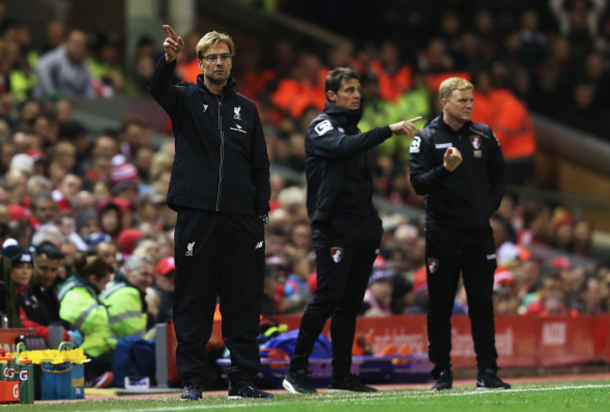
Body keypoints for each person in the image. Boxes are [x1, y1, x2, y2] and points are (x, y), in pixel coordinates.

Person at [149, 25, 272, 400]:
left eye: (225, 56)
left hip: (241, 219)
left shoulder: (246, 109)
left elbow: (260, 165)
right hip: (197, 215)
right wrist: (168, 60)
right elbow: (157, 89)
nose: (219, 62)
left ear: (231, 61)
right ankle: (192, 380)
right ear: (200, 63)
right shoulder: (185, 97)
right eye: (212, 57)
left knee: (244, 299)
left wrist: (260, 211)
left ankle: (243, 380)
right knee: (193, 297)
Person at [282, 67, 421, 394]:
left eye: (357, 89)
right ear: (331, 95)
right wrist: (388, 129)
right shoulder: (322, 126)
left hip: (361, 227)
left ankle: (341, 376)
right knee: (327, 297)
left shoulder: (352, 129)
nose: (356, 94)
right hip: (334, 227)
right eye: (348, 90)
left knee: (349, 303)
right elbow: (343, 147)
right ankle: (296, 371)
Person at [408, 77, 511, 390]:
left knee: (482, 303)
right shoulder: (426, 137)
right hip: (443, 233)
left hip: (478, 233)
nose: (468, 105)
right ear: (444, 102)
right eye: (462, 100)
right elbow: (418, 183)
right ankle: (442, 373)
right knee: (440, 306)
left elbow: (500, 177)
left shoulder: (484, 134)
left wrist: (487, 209)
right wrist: (445, 169)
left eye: (471, 100)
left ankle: (487, 372)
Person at [58, 253, 115, 388]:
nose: (105, 288)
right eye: (105, 283)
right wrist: (105, 310)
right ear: (93, 278)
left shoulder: (88, 293)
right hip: (85, 353)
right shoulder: (75, 295)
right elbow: (96, 322)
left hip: (96, 351)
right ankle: (89, 379)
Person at [101, 254, 155, 338]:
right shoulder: (126, 294)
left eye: (151, 276)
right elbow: (136, 339)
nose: (149, 280)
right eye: (144, 274)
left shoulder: (117, 286)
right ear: (129, 271)